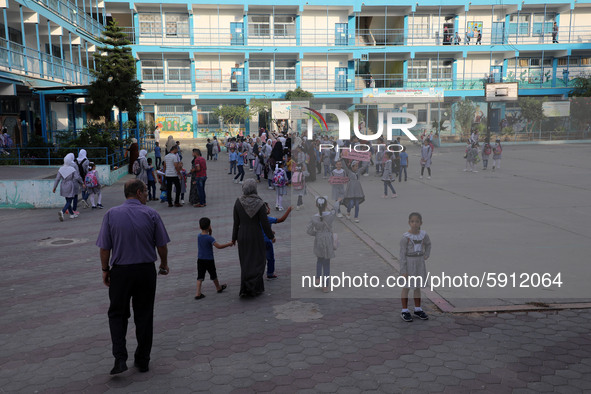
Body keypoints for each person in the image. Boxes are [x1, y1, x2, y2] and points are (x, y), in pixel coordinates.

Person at [96, 179, 171, 374]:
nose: (147, 195)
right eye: (145, 191)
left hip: (121, 272)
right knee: (144, 314)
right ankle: (143, 360)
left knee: (117, 314)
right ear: (138, 193)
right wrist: (163, 264)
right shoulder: (151, 214)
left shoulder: (111, 215)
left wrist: (105, 269)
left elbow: (105, 247)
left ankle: (120, 358)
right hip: (145, 271)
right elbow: (161, 245)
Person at [232, 179, 275, 298]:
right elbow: (265, 223)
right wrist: (271, 236)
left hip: (242, 235)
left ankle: (246, 288)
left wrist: (234, 238)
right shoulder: (259, 203)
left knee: (245, 262)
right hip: (256, 235)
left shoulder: (238, 202)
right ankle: (255, 287)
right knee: (258, 261)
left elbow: (236, 222)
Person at [399, 212, 431, 322]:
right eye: (412, 221)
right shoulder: (406, 237)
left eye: (417, 221)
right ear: (409, 223)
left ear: (421, 223)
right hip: (409, 263)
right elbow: (402, 254)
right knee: (406, 286)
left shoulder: (423, 235)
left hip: (419, 263)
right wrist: (403, 270)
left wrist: (426, 254)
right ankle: (404, 310)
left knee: (417, 286)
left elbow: (428, 244)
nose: (414, 224)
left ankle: (417, 309)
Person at [195, 217, 232, 300]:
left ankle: (198, 293)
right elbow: (218, 246)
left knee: (200, 276)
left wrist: (209, 232)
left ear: (200, 227)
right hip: (209, 260)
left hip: (200, 259)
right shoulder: (210, 238)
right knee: (213, 274)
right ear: (209, 226)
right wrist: (228, 244)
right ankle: (218, 287)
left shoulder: (199, 236)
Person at [306, 197, 336, 293]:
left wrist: (317, 234)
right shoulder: (330, 216)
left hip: (318, 239)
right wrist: (338, 201)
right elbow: (335, 209)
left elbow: (309, 230)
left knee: (319, 260)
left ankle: (317, 279)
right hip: (328, 239)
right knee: (327, 263)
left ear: (316, 205)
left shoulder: (314, 217)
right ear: (326, 205)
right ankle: (325, 286)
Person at [263, 203, 292, 279]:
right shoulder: (268, 219)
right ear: (265, 211)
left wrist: (271, 231)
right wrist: (288, 210)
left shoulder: (257, 219)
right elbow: (281, 220)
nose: (269, 208)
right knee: (270, 258)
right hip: (267, 242)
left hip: (258, 241)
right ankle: (270, 273)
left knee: (259, 259)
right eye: (268, 208)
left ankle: (257, 273)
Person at [53, 153, 83, 221]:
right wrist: (82, 183)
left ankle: (72, 214)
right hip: (70, 184)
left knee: (67, 200)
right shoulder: (72, 168)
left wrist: (54, 187)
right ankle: (62, 211)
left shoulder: (61, 169)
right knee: (69, 200)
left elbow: (57, 179)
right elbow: (77, 177)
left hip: (63, 185)